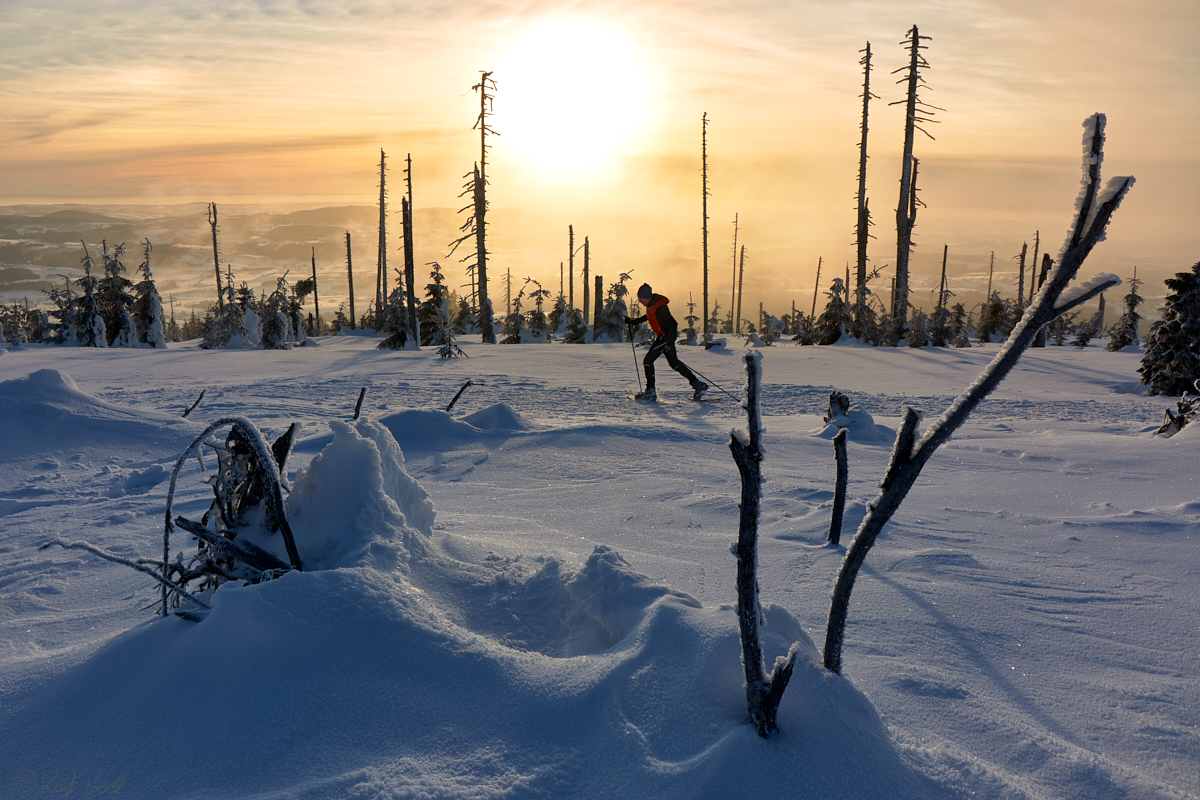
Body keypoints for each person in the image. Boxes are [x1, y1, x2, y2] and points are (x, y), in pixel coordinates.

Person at [625, 283, 708, 402]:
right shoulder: (651, 305)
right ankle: (698, 385)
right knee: (674, 363)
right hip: (664, 337)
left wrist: (668, 341)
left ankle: (650, 392)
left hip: (665, 337)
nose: (639, 300)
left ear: (646, 296)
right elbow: (649, 316)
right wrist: (633, 322)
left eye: (640, 298)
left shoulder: (660, 307)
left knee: (648, 361)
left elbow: (672, 325)